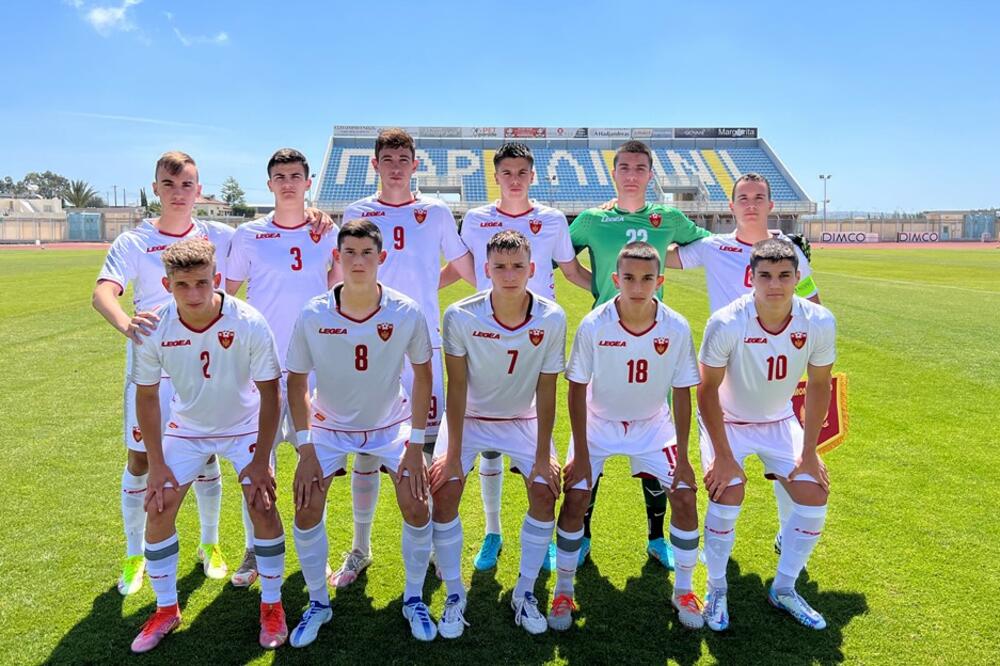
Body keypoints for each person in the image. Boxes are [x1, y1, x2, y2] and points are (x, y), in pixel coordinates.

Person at [128, 237, 287, 652]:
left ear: (216, 279)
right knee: (158, 506)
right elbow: (147, 397)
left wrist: (262, 460)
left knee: (262, 504)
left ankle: (272, 605)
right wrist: (156, 463)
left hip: (244, 426)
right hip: (188, 428)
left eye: (202, 282)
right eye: (182, 285)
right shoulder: (153, 328)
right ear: (167, 285)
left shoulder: (248, 320)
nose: (194, 293)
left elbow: (271, 393)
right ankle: (166, 608)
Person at [284, 219, 438, 646]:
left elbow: (423, 376)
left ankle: (413, 598)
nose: (358, 261)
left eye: (367, 253)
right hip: (329, 426)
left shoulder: (405, 310)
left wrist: (416, 445)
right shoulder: (313, 312)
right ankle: (318, 602)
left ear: (381, 258)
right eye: (349, 252)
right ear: (336, 257)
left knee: (416, 504)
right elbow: (296, 382)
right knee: (305, 506)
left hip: (389, 424)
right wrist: (305, 448)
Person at [333, 128, 475, 588]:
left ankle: (431, 545)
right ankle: (360, 547)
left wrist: (430, 285)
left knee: (425, 447)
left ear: (415, 165)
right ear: (375, 164)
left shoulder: (435, 212)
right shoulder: (357, 212)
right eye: (387, 159)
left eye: (403, 159)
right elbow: (340, 271)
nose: (395, 166)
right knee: (367, 447)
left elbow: (466, 266)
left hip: (422, 344)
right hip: (369, 345)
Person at [440, 141, 591, 571]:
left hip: (537, 334)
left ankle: (540, 534)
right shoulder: (476, 219)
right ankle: (493, 531)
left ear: (532, 175)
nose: (514, 180)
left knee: (534, 417)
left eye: (522, 172)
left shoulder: (552, 219)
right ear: (495, 176)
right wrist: (411, 293)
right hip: (486, 334)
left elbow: (572, 271)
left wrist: (615, 293)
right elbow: (459, 268)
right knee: (487, 443)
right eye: (506, 172)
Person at [93, 151, 235, 594]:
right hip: (152, 370)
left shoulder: (218, 236)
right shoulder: (133, 241)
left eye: (186, 185)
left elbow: (271, 237)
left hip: (202, 367)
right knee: (140, 459)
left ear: (199, 190)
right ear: (155, 188)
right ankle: (134, 553)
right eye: (169, 185)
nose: (178, 193)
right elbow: (103, 293)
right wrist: (126, 324)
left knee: (206, 453)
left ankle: (209, 544)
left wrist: (314, 215)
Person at [564, 140, 710, 569]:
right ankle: (582, 536)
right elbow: (561, 258)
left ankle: (657, 537)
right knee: (594, 433)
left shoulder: (668, 218)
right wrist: (597, 286)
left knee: (654, 437)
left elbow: (709, 246)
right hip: (605, 336)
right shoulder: (592, 220)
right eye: (624, 167)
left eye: (639, 168)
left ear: (650, 174)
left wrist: (671, 263)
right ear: (613, 173)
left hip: (654, 337)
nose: (631, 174)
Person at [548, 241, 704, 631]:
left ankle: (684, 590)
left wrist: (685, 457)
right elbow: (576, 388)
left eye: (647, 278)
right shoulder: (595, 324)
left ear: (660, 281)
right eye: (629, 278)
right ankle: (563, 590)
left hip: (652, 425)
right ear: (616, 280)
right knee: (575, 497)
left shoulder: (676, 326)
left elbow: (683, 392)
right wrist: (582, 453)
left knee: (685, 495)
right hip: (599, 424)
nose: (638, 286)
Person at [667, 172, 822, 552]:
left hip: (774, 370)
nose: (751, 204)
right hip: (726, 372)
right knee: (723, 468)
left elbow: (813, 306)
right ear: (731, 206)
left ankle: (787, 532)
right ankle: (718, 547)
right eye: (743, 198)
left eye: (758, 197)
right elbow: (661, 256)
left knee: (789, 462)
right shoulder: (712, 246)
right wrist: (640, 221)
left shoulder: (790, 251)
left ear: (771, 205)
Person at [429, 230, 567, 638]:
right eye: (500, 267)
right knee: (444, 489)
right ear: (486, 269)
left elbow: (547, 389)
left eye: (518, 266)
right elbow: (456, 387)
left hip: (522, 418)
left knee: (544, 490)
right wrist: (453, 455)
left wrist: (542, 456)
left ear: (532, 268)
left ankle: (524, 592)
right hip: (469, 417)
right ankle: (455, 594)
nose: (509, 275)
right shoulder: (460, 315)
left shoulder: (551, 317)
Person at [697, 238, 836, 631]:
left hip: (779, 421)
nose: (775, 284)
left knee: (814, 496)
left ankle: (785, 588)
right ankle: (716, 586)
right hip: (728, 422)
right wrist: (723, 456)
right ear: (751, 277)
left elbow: (819, 385)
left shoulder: (819, 321)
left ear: (797, 276)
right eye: (766, 275)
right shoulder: (726, 321)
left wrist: (809, 451)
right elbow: (706, 391)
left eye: (784, 275)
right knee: (728, 492)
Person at [224, 148, 341, 587]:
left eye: (295, 176)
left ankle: (315, 550)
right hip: (261, 365)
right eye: (280, 176)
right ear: (269, 183)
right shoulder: (249, 235)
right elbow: (228, 295)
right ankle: (255, 548)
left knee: (315, 460)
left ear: (308, 183)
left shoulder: (327, 233)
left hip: (312, 364)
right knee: (256, 458)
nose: (288, 183)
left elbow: (337, 292)